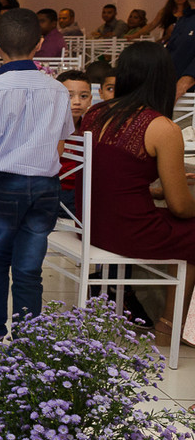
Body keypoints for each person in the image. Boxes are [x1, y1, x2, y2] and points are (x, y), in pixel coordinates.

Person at [0, 8, 72, 340]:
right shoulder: (58, 90)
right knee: (29, 267)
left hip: (3, 183)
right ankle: (29, 339)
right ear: (39, 45)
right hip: (46, 186)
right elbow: (60, 149)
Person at [75, 43, 195, 337]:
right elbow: (180, 207)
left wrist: (154, 194)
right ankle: (171, 327)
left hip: (88, 223)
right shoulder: (162, 127)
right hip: (126, 230)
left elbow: (112, 176)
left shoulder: (96, 112)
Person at [55, 69, 92, 219]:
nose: (77, 102)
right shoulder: (51, 128)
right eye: (69, 96)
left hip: (83, 191)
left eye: (83, 96)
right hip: (55, 191)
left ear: (90, 99)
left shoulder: (91, 128)